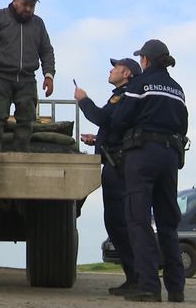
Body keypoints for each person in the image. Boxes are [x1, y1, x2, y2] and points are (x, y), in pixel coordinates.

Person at [110, 39, 188, 303]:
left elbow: (120, 118)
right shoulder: (178, 89)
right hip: (170, 155)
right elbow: (183, 125)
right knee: (168, 224)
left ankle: (149, 287)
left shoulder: (139, 85)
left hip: (142, 155)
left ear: (145, 60)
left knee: (138, 221)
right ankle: (176, 289)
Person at [74, 58, 142, 296]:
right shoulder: (123, 96)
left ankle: (136, 277)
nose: (110, 70)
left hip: (118, 167)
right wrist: (98, 140)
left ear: (126, 73)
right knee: (117, 224)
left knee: (118, 223)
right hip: (115, 162)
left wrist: (83, 100)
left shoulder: (123, 96)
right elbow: (114, 127)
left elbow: (104, 118)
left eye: (115, 68)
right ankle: (133, 276)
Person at [0, 0, 55, 151]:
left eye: (32, 5)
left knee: (26, 121)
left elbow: (47, 50)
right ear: (15, 1)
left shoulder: (38, 24)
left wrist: (49, 75)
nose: (28, 8)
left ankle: (21, 159)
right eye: (25, 4)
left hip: (27, 79)